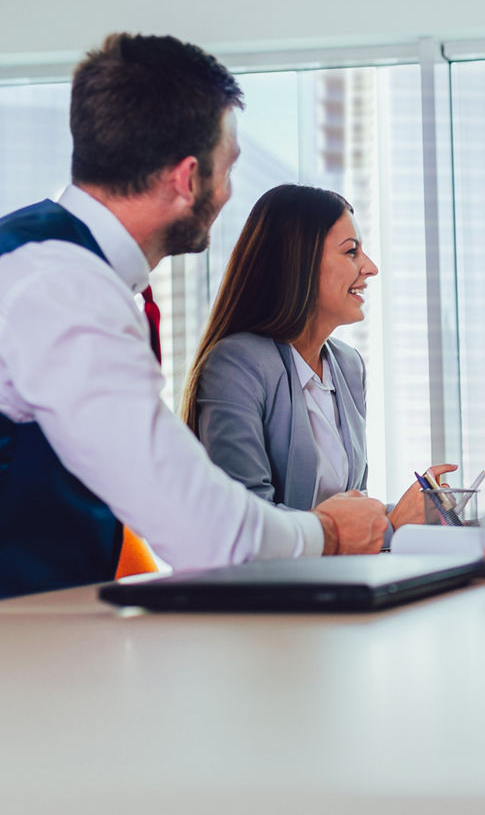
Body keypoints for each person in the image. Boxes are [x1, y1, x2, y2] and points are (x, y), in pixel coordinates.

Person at [0, 34, 387, 599]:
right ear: (187, 179)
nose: (230, 192)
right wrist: (327, 531)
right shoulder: (63, 287)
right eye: (227, 169)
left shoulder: (51, 263)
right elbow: (200, 522)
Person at [182, 184, 455, 537]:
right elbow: (249, 519)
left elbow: (347, 505)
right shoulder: (236, 364)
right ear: (300, 262)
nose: (370, 267)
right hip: (268, 586)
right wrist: (391, 524)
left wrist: (414, 513)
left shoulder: (347, 365)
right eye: (351, 252)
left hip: (332, 578)